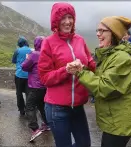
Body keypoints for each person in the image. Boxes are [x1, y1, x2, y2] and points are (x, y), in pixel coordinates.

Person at [67, 16, 131, 147]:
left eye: (102, 31)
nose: (97, 34)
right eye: (97, 30)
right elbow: (102, 76)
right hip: (114, 119)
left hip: (120, 122)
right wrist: (83, 68)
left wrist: (81, 72)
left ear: (114, 33)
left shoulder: (122, 58)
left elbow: (105, 87)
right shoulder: (111, 54)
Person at [38, 2, 96, 147]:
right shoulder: (48, 42)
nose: (67, 21)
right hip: (57, 108)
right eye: (63, 18)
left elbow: (91, 64)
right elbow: (45, 77)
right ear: (55, 21)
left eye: (70, 17)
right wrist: (65, 70)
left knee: (84, 144)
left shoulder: (80, 40)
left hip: (78, 106)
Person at [21, 36, 50, 142]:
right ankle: (47, 124)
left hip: (35, 86)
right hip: (44, 86)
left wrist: (27, 58)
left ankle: (35, 128)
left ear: (36, 44)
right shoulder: (47, 54)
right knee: (42, 106)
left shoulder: (33, 54)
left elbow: (24, 66)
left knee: (29, 107)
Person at [12, 36, 32, 116]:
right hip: (28, 75)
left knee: (19, 93)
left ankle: (21, 109)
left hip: (19, 75)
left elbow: (13, 61)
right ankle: (29, 109)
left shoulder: (17, 50)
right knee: (28, 93)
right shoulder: (31, 50)